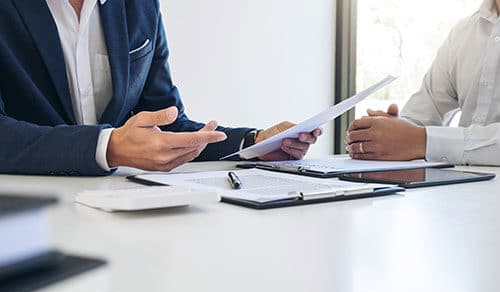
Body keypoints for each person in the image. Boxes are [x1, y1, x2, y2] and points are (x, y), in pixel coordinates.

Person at [0, 0, 321, 176]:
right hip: (24, 221)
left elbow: (165, 124)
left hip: (120, 218)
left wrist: (254, 144)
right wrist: (107, 146)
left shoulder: (140, 6)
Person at [346, 0, 500, 166]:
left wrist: (421, 140)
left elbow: (420, 138)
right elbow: (425, 115)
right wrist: (387, 132)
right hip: (461, 188)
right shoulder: (463, 34)